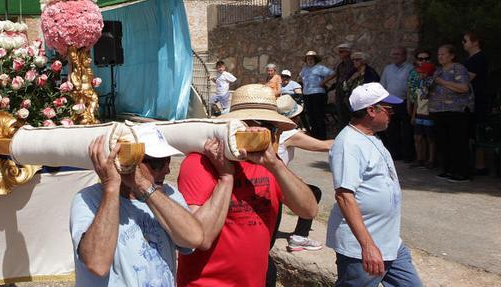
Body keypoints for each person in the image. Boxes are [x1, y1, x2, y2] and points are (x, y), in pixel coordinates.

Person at [177, 84, 318, 287]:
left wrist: (276, 166)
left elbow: (308, 210)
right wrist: (226, 176)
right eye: (259, 125)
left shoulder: (270, 164)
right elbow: (199, 237)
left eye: (271, 128)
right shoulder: (199, 163)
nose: (263, 133)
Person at [70, 124, 202, 286]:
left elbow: (194, 238)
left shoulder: (167, 194)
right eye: (157, 163)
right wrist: (111, 188)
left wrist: (144, 186)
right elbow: (97, 264)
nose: (167, 170)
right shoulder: (88, 199)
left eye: (167, 160)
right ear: (126, 161)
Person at [327, 83, 422, 286]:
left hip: (390, 242)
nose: (392, 114)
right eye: (388, 109)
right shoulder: (348, 144)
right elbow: (344, 196)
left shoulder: (371, 137)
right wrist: (367, 246)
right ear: (371, 110)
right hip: (361, 247)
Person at [274, 95, 333, 254]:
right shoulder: (289, 133)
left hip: (270, 178)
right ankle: (300, 237)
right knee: (312, 193)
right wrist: (352, 137)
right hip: (276, 182)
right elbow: (323, 146)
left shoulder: (273, 129)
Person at [428, 44, 473, 182]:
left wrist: (442, 82)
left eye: (443, 54)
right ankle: (448, 169)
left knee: (457, 142)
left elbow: (464, 87)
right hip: (438, 111)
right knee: (443, 142)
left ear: (452, 55)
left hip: (456, 111)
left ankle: (462, 172)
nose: (440, 57)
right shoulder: (438, 71)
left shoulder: (458, 68)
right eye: (439, 54)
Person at [462, 32, 490, 176]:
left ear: (475, 42)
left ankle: (480, 165)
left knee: (478, 132)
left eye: (466, 40)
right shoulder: (470, 58)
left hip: (478, 100)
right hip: (469, 100)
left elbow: (467, 79)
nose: (463, 43)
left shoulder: (479, 58)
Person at [380, 47, 415, 160]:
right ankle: (394, 154)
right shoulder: (388, 69)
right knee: (391, 130)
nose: (395, 56)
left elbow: (412, 87)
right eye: (393, 54)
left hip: (404, 102)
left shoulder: (411, 69)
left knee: (406, 130)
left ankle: (407, 155)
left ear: (405, 55)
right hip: (389, 102)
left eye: (398, 54)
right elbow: (383, 85)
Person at [300, 50, 334, 140]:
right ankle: (314, 137)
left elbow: (333, 73)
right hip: (307, 94)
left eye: (311, 58)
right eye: (308, 59)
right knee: (311, 116)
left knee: (318, 115)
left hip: (317, 93)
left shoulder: (320, 68)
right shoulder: (304, 69)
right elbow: (300, 78)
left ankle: (322, 137)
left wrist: (324, 82)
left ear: (315, 59)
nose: (310, 60)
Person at [410, 61, 436, 169]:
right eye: (420, 73)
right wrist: (413, 114)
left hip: (429, 113)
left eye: (423, 73)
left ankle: (431, 160)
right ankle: (420, 158)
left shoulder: (433, 84)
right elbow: (417, 100)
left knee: (430, 138)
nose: (421, 75)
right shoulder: (419, 84)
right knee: (418, 137)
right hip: (419, 113)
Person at [323, 43, 356, 127]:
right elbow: (336, 76)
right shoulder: (341, 65)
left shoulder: (353, 64)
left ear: (348, 52)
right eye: (339, 52)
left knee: (351, 115)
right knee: (341, 115)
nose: (339, 54)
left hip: (349, 93)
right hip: (340, 93)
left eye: (341, 51)